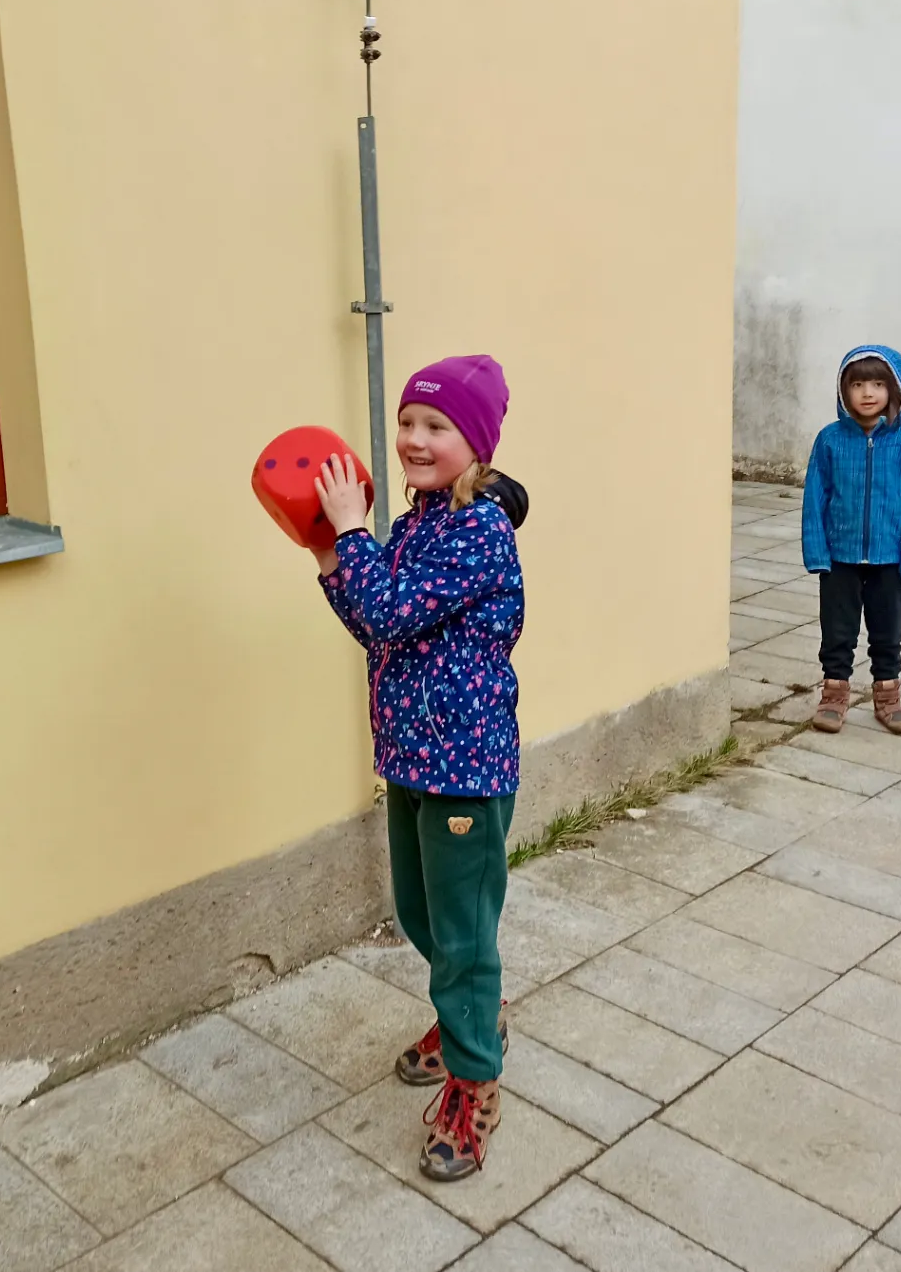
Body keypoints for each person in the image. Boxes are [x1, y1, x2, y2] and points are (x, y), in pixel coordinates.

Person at [311, 353, 524, 1182]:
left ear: (476, 443)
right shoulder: (420, 523)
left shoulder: (478, 531)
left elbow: (394, 607)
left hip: (463, 765)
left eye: (437, 425)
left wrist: (350, 531)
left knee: (462, 934)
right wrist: (333, 558)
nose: (413, 437)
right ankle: (472, 1016)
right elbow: (378, 625)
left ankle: (476, 1082)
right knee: (422, 913)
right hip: (410, 752)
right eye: (406, 421)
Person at [801, 345, 901, 735]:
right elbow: (815, 497)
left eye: (878, 384)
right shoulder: (830, 440)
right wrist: (817, 552)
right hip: (840, 556)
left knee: (887, 631)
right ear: (843, 390)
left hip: (890, 557)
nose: (867, 393)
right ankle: (833, 694)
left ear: (894, 389)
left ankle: (888, 696)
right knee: (837, 630)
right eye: (857, 384)